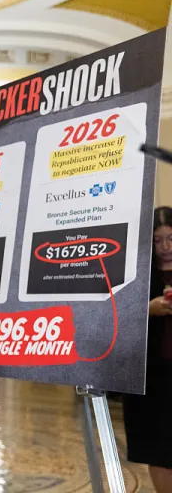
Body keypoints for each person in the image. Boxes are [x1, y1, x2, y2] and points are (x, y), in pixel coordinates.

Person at [123, 206, 172, 493]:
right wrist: (149, 309)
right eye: (157, 240)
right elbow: (117, 315)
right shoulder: (138, 273)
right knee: (159, 450)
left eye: (171, 238)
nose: (165, 247)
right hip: (153, 378)